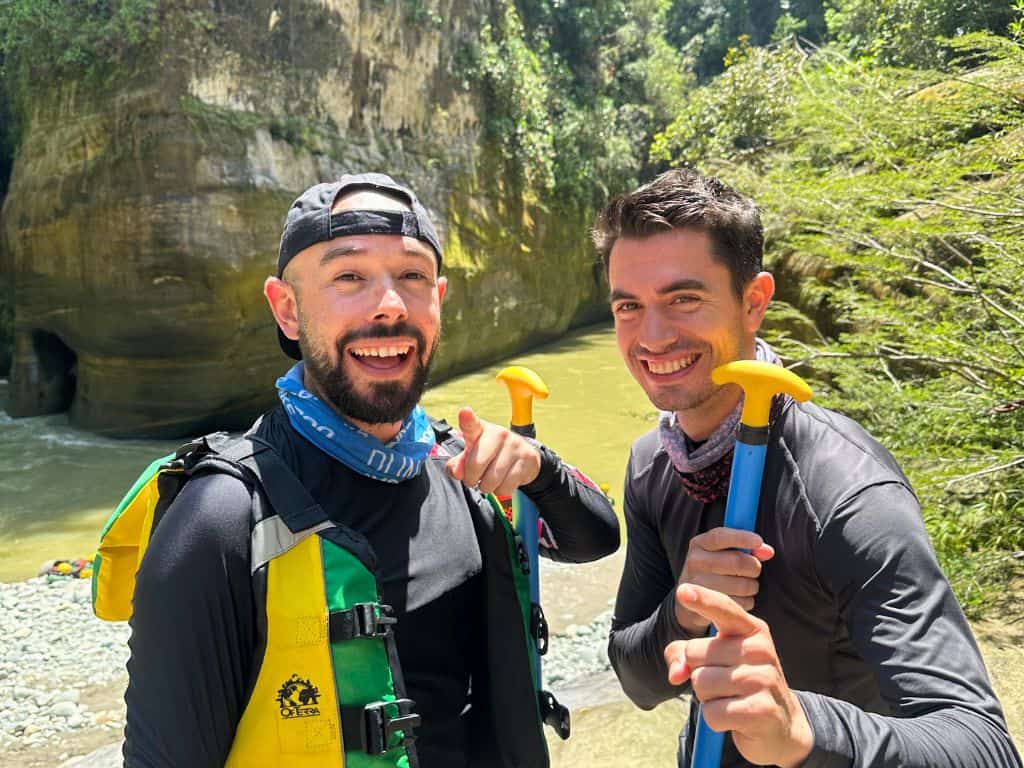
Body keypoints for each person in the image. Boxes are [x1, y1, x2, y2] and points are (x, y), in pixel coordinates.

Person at [122, 173, 620, 768]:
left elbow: (595, 536)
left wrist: (539, 468)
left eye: (411, 277)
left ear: (437, 300)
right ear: (287, 309)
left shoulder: (458, 468)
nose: (389, 305)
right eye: (348, 277)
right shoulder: (221, 519)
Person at [595, 168, 1022, 767]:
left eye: (683, 299)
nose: (653, 335)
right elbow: (637, 680)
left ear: (754, 302)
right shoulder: (653, 466)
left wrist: (802, 726)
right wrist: (681, 612)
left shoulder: (846, 491)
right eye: (629, 307)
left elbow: (984, 748)